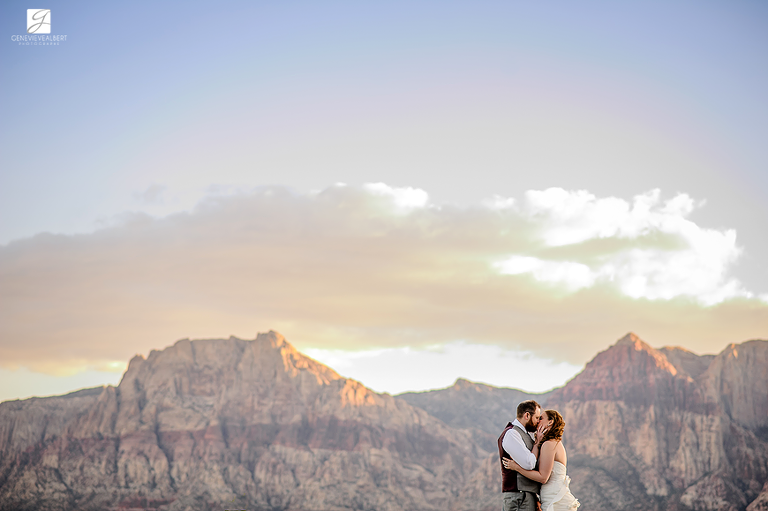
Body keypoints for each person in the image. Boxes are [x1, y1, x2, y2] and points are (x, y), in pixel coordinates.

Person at [503, 410, 580, 511]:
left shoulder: (549, 444)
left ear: (550, 422)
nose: (538, 421)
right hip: (550, 497)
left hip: (554, 500)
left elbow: (543, 477)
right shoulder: (554, 443)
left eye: (541, 418)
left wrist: (517, 468)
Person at [498, 400, 546, 511]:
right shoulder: (511, 434)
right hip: (518, 497)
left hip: (525, 496)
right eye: (537, 418)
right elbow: (529, 464)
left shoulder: (523, 433)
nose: (538, 421)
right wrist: (537, 444)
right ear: (527, 415)